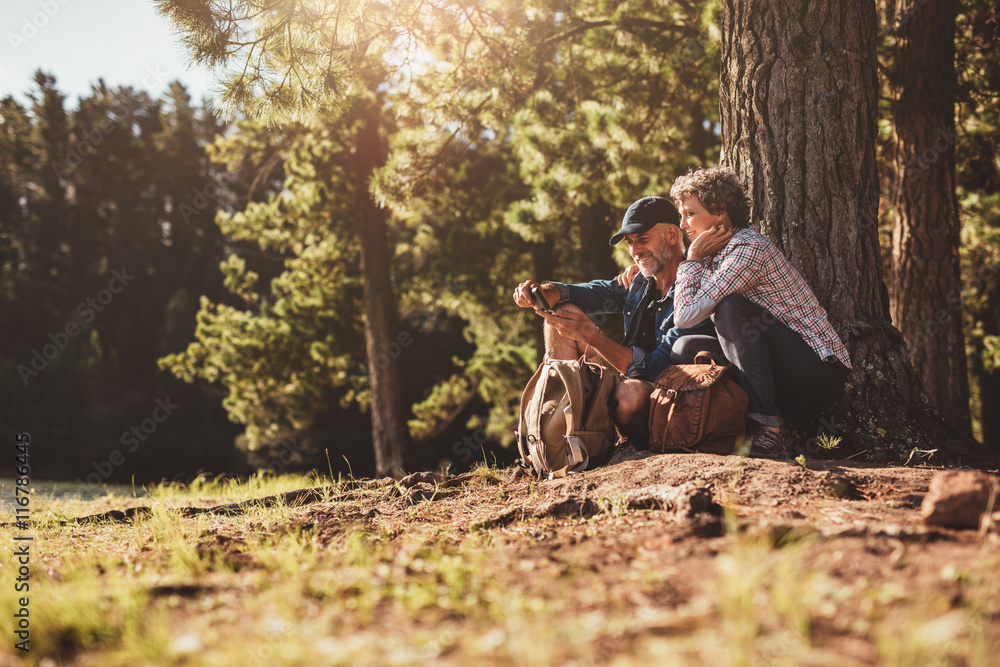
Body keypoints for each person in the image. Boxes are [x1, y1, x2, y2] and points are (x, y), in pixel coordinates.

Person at [668, 165, 852, 458]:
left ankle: (766, 432)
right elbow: (685, 321)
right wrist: (697, 259)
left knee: (729, 308)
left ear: (720, 211)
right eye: (681, 215)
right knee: (685, 347)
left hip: (817, 373)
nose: (682, 223)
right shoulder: (712, 256)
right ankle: (715, 428)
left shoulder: (747, 248)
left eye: (689, 213)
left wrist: (691, 258)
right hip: (776, 374)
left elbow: (686, 314)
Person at [511, 196, 722, 385]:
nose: (634, 251)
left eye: (642, 239)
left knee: (633, 394)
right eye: (629, 242)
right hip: (628, 382)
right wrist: (542, 292)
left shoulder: (697, 288)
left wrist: (592, 336)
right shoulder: (637, 282)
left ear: (672, 235)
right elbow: (583, 293)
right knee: (559, 315)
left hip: (664, 391)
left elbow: (657, 369)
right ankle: (569, 421)